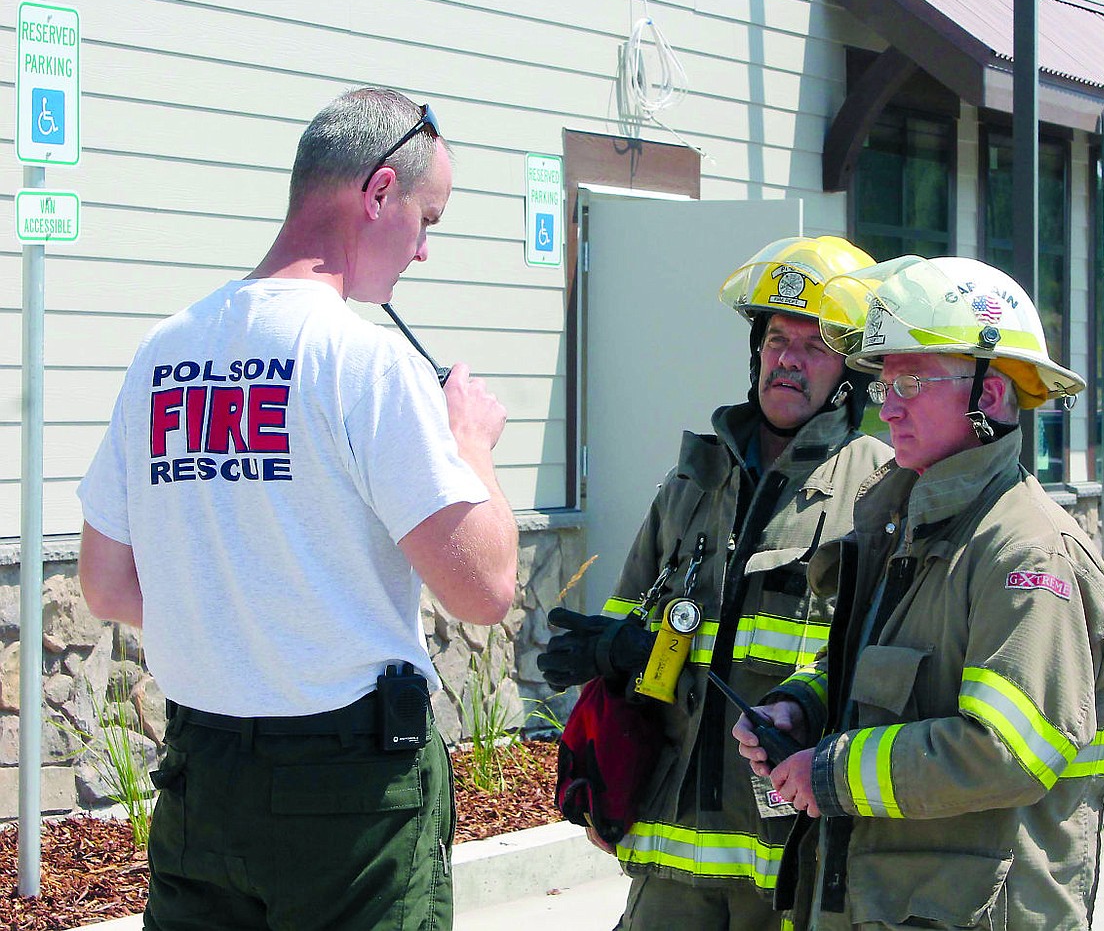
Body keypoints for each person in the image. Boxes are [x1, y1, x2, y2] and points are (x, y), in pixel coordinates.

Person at [77, 87, 518, 931]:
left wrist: (239, 623)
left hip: (201, 775)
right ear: (379, 193)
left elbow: (103, 582)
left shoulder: (164, 351)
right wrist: (471, 446)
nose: (424, 251)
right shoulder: (364, 363)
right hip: (350, 799)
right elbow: (486, 588)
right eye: (429, 219)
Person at [733, 255, 1104, 931]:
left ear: (995, 396)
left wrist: (830, 771)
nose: (887, 404)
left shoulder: (1024, 551)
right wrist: (800, 708)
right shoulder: (911, 523)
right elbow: (885, 675)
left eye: (912, 380)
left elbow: (1006, 751)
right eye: (884, 381)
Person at [538, 237, 893, 930]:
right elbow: (627, 633)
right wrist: (617, 656)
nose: (787, 358)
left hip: (792, 861)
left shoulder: (877, 489)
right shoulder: (691, 484)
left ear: (850, 367)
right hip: (668, 859)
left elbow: (886, 670)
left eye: (814, 344)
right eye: (776, 338)